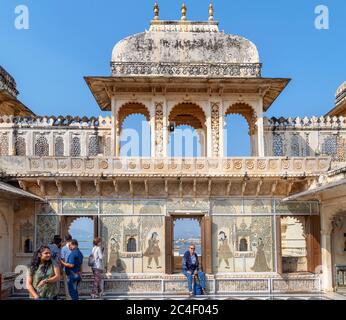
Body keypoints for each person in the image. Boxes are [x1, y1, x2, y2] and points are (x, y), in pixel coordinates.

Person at [60, 234, 72, 300]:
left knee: (67, 284)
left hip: (66, 268)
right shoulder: (74, 247)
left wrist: (61, 268)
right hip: (74, 268)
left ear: (65, 239)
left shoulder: (64, 248)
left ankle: (68, 297)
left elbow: (62, 259)